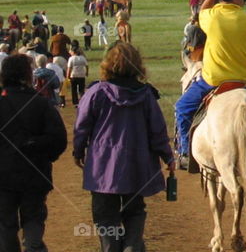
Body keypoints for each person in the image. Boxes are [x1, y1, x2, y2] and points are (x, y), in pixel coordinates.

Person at [74, 42, 175, 252]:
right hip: (136, 165)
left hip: (102, 168)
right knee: (135, 211)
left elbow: (81, 126)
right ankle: (132, 246)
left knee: (105, 215)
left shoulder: (96, 92)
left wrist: (78, 150)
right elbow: (157, 130)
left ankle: (111, 248)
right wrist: (168, 157)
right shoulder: (147, 95)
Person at [174, 0, 246, 167]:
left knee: (182, 109)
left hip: (213, 80)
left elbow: (202, 10)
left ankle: (184, 152)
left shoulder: (209, 17)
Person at [0, 54, 67, 252]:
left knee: (5, 225)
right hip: (35, 171)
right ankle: (33, 247)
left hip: (3, 175)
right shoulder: (41, 103)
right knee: (33, 220)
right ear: (27, 75)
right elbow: (59, 140)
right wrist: (45, 155)